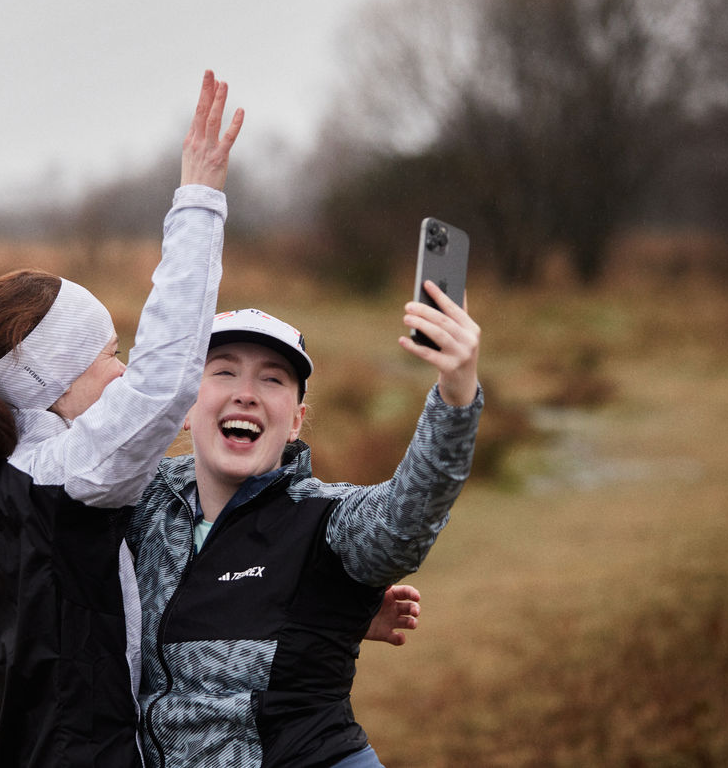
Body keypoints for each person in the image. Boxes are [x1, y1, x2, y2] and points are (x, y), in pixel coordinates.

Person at [0, 70, 242, 767]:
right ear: (49, 377)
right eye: (107, 354)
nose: (122, 370)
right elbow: (166, 378)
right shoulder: (69, 474)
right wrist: (200, 199)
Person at [125, 294, 481, 768]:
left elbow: (405, 518)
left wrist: (456, 396)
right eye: (224, 372)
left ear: (294, 421)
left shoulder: (325, 517)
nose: (245, 393)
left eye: (272, 379)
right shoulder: (141, 503)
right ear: (186, 407)